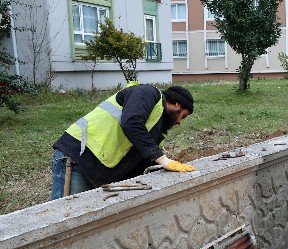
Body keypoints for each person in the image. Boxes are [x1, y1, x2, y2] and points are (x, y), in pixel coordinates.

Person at [51, 82, 196, 200]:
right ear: (177, 105)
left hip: (94, 165)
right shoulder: (147, 92)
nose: (180, 122)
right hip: (78, 155)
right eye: (183, 116)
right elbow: (131, 122)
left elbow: (139, 154)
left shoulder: (155, 123)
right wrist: (163, 160)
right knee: (66, 216)